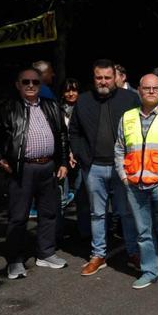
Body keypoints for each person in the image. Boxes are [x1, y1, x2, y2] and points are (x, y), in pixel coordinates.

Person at [0, 67, 70, 279]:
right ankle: (15, 260)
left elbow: (62, 136)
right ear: (18, 85)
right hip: (21, 170)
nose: (31, 86)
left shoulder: (51, 106)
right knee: (18, 217)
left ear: (41, 85)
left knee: (49, 213)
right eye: (26, 82)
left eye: (35, 82)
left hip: (48, 167)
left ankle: (46, 253)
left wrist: (64, 162)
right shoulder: (8, 109)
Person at [68, 59, 140, 276]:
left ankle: (133, 251)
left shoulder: (130, 99)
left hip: (122, 167)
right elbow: (74, 132)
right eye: (99, 77)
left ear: (115, 78)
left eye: (107, 77)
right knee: (97, 214)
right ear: (94, 78)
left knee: (126, 212)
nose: (103, 81)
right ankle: (98, 255)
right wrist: (81, 155)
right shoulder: (83, 101)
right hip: (94, 167)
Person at [114, 74, 158, 290]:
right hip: (134, 185)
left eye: (155, 88)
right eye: (146, 88)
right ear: (139, 91)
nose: (151, 91)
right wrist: (124, 176)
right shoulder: (127, 116)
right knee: (144, 232)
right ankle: (150, 271)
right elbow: (120, 148)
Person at [60, 78, 89, 239]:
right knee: (60, 197)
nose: (71, 93)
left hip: (80, 157)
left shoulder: (85, 108)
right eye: (67, 90)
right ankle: (58, 232)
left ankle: (84, 232)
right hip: (62, 158)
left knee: (81, 196)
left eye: (74, 90)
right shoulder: (57, 109)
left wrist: (76, 152)